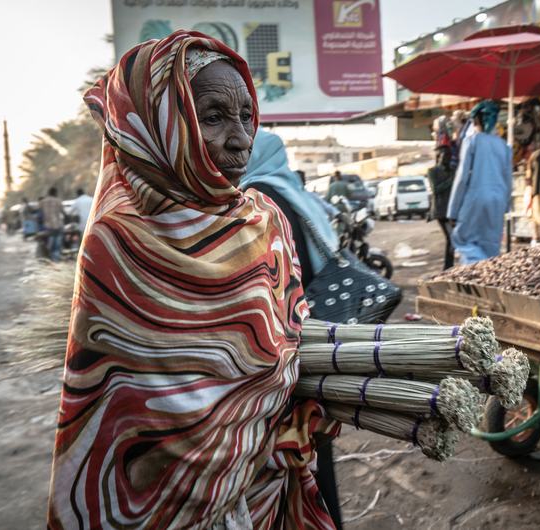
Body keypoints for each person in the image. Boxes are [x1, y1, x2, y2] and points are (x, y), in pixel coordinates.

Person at [47, 31, 338, 529]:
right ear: (162, 121)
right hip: (157, 503)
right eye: (213, 116)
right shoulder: (117, 238)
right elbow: (132, 406)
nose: (241, 138)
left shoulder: (264, 220)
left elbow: (290, 339)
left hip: (265, 485)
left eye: (247, 116)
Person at [240, 128, 343, 527]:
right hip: (314, 332)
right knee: (314, 446)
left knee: (298, 454)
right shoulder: (294, 191)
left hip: (289, 339)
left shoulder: (262, 199)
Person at [446, 100, 513, 264]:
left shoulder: (472, 141)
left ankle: (472, 279)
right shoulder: (505, 146)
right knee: (491, 248)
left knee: (464, 241)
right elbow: (508, 179)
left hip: (476, 197)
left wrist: (453, 211)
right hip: (497, 201)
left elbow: (462, 177)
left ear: (475, 121)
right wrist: (506, 206)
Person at [426, 146, 456, 269]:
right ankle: (448, 267)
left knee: (454, 237)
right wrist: (451, 180)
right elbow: (435, 189)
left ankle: (449, 265)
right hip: (441, 210)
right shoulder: (432, 171)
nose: (446, 159)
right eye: (444, 156)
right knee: (451, 237)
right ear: (439, 157)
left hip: (452, 209)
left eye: (448, 156)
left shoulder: (453, 170)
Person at [39, 187, 64, 261]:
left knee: (51, 240)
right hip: (58, 225)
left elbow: (39, 213)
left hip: (48, 226)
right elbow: (63, 212)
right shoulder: (58, 201)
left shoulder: (42, 202)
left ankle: (50, 256)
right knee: (57, 243)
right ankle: (56, 258)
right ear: (55, 193)